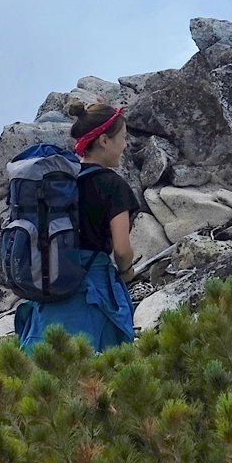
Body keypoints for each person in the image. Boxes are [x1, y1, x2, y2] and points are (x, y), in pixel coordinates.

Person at [15, 99, 138, 353]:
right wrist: (126, 272)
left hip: (51, 287)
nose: (125, 145)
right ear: (104, 141)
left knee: (46, 371)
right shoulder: (113, 186)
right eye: (123, 137)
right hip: (92, 289)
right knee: (96, 373)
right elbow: (122, 249)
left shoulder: (60, 184)